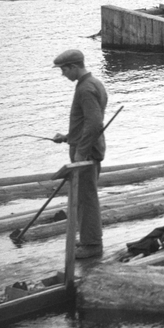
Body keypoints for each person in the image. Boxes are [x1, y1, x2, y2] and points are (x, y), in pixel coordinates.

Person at [52, 49, 108, 258]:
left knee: (87, 199)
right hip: (89, 149)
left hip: (86, 154)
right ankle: (88, 240)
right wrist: (68, 137)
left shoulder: (85, 89)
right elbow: (87, 123)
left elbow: (94, 124)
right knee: (85, 197)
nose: (63, 74)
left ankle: (92, 245)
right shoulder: (93, 84)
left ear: (74, 67)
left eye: (64, 70)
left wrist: (80, 153)